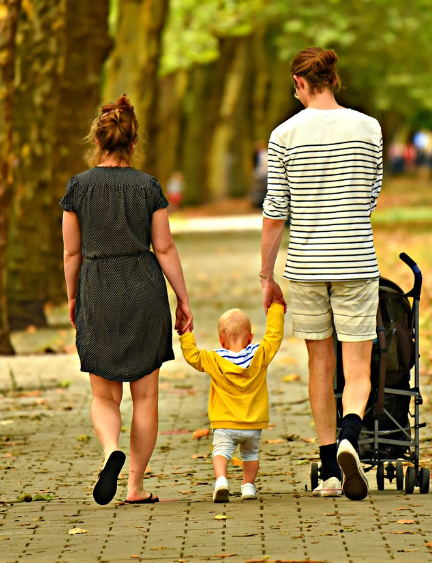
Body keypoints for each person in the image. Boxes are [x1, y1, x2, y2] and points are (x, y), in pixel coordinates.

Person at [260, 47, 383, 501]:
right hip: (355, 260)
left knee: (319, 364)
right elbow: (372, 195)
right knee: (357, 366)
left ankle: (330, 469)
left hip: (306, 266)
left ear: (300, 84)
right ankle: (352, 434)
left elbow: (276, 212)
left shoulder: (284, 135)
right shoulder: (368, 128)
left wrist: (265, 273)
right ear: (334, 79)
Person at [60, 94, 193, 506]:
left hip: (97, 287)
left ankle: (109, 451)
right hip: (143, 287)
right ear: (133, 142)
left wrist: (72, 297)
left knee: (104, 395)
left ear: (97, 141)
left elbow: (70, 253)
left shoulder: (78, 188)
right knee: (146, 397)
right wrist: (183, 300)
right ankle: (134, 486)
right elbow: (166, 249)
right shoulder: (148, 186)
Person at [179, 303, 285, 503]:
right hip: (253, 424)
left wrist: (186, 333)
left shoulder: (214, 359)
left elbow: (192, 356)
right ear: (250, 338)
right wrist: (276, 309)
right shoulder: (259, 355)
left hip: (224, 423)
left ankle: (221, 481)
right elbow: (274, 337)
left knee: (220, 452)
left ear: (221, 340)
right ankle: (248, 487)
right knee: (250, 455)